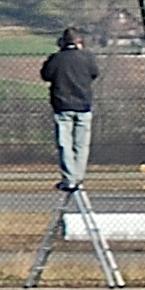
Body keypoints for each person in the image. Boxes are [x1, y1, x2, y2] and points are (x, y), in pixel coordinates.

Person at [40, 27, 99, 193]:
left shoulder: (57, 58)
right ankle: (79, 177)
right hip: (83, 105)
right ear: (79, 42)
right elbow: (95, 73)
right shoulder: (87, 58)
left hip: (62, 105)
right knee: (81, 144)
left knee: (64, 144)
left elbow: (46, 74)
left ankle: (69, 178)